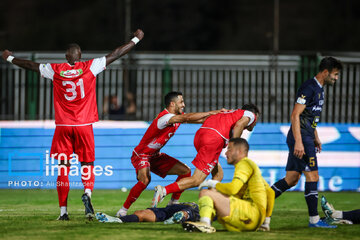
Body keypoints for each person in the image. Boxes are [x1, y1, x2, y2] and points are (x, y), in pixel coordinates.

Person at [1, 29, 144, 221]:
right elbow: (117, 53)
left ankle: (63, 212)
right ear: (80, 55)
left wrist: (10, 58)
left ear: (66, 56)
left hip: (63, 126)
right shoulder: (90, 67)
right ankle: (87, 193)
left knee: (62, 168)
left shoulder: (56, 70)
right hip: (84, 125)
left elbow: (29, 65)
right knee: (88, 164)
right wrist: (136, 39)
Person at [116, 91, 225, 217]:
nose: (183, 105)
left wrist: (220, 116)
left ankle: (173, 203)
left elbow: (199, 119)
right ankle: (123, 211)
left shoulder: (177, 117)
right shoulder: (165, 118)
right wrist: (213, 112)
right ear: (172, 104)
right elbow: (188, 117)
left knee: (185, 171)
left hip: (155, 155)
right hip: (142, 154)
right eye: (181, 102)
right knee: (145, 180)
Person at [271, 57, 342, 228]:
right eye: (335, 74)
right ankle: (314, 220)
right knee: (313, 176)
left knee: (291, 179)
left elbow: (309, 117)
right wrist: (299, 142)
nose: (337, 78)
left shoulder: (320, 89)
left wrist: (315, 135)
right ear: (326, 72)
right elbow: (295, 115)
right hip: (301, 138)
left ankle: (258, 201)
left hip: (307, 136)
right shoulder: (309, 87)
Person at [151, 104, 260, 208]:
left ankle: (205, 204)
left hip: (200, 136)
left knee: (218, 175)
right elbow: (239, 125)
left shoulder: (228, 113)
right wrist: (234, 146)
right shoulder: (250, 115)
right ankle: (164, 190)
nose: (255, 123)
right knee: (197, 179)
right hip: (213, 140)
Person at [182, 138, 274, 233]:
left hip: (249, 214)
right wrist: (265, 222)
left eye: (229, 149)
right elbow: (270, 192)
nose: (226, 153)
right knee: (212, 193)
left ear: (239, 151)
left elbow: (233, 189)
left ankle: (205, 223)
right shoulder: (252, 168)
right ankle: (205, 221)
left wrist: (213, 183)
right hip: (252, 219)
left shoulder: (244, 163)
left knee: (206, 193)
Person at [96, 202, 200, 224]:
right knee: (140, 213)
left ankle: (180, 216)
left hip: (192, 208)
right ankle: (117, 220)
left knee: (191, 209)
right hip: (167, 210)